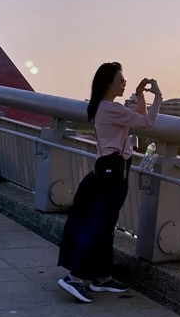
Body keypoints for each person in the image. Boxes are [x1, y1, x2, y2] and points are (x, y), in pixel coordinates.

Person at [57, 62, 162, 303]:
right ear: (107, 83)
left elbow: (135, 118)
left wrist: (137, 96)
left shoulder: (103, 107)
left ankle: (102, 276)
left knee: (105, 224)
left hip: (106, 170)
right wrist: (158, 96)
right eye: (120, 79)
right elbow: (146, 123)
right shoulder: (109, 108)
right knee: (101, 226)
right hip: (113, 174)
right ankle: (74, 276)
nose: (123, 82)